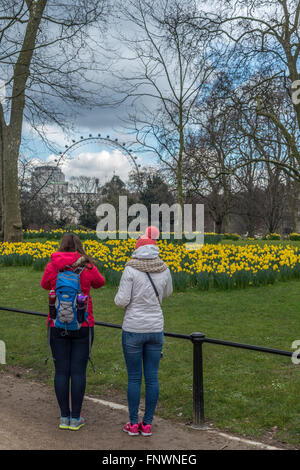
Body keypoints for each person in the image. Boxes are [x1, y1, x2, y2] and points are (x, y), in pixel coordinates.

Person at [41, 233, 105, 430]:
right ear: (79, 246)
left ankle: (64, 417)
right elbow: (100, 282)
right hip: (83, 324)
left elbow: (44, 284)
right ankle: (76, 418)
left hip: (56, 324)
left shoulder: (53, 265)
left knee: (61, 371)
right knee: (78, 372)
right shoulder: (86, 265)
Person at [114, 226, 173, 437]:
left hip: (133, 329)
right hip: (156, 328)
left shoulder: (130, 269)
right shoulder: (164, 268)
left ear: (137, 250)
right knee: (152, 378)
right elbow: (168, 292)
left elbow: (122, 301)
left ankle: (132, 423)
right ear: (155, 249)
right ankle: (147, 424)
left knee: (134, 379)